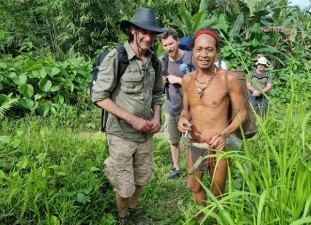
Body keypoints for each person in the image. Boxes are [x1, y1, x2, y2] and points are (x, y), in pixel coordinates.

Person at [91, 7, 164, 221]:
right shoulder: (117, 57)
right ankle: (123, 217)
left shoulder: (155, 62)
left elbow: (158, 93)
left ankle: (132, 211)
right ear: (133, 30)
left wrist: (157, 117)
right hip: (121, 135)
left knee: (141, 178)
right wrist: (132, 119)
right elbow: (99, 96)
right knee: (124, 186)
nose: (148, 38)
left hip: (146, 135)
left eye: (152, 34)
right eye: (143, 32)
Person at [177, 29, 247, 205]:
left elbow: (242, 113)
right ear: (192, 51)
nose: (204, 55)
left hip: (218, 146)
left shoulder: (228, 79)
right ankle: (203, 215)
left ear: (217, 52)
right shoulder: (187, 80)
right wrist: (182, 119)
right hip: (196, 143)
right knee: (194, 186)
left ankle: (216, 219)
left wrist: (224, 134)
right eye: (199, 49)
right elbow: (186, 110)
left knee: (217, 193)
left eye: (209, 49)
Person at [159, 28, 197, 178]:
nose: (169, 48)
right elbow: (158, 85)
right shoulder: (163, 61)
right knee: (173, 141)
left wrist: (179, 80)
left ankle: (192, 170)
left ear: (178, 41)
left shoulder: (190, 58)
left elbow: (200, 82)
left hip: (189, 108)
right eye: (165, 45)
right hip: (170, 107)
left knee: (190, 142)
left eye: (171, 43)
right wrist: (161, 82)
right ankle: (176, 168)